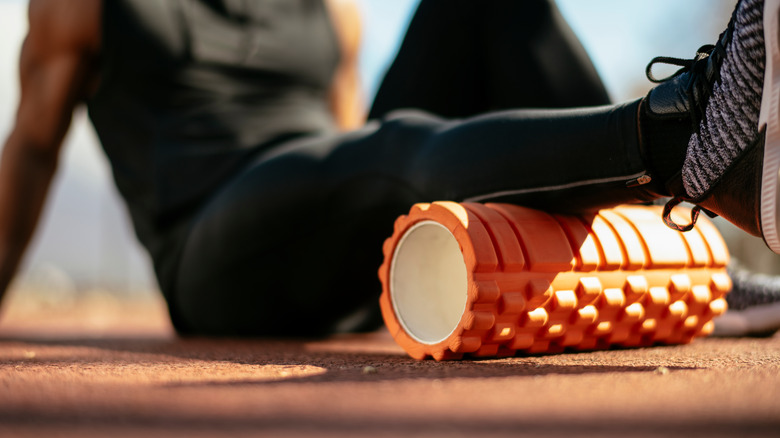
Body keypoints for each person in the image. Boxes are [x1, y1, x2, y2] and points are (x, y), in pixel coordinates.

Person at [0, 0, 778, 336]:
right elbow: (32, 148)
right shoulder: (81, 8)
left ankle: (669, 267)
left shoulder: (328, 10)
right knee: (393, 152)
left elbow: (342, 141)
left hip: (330, 205)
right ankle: (683, 138)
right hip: (216, 254)